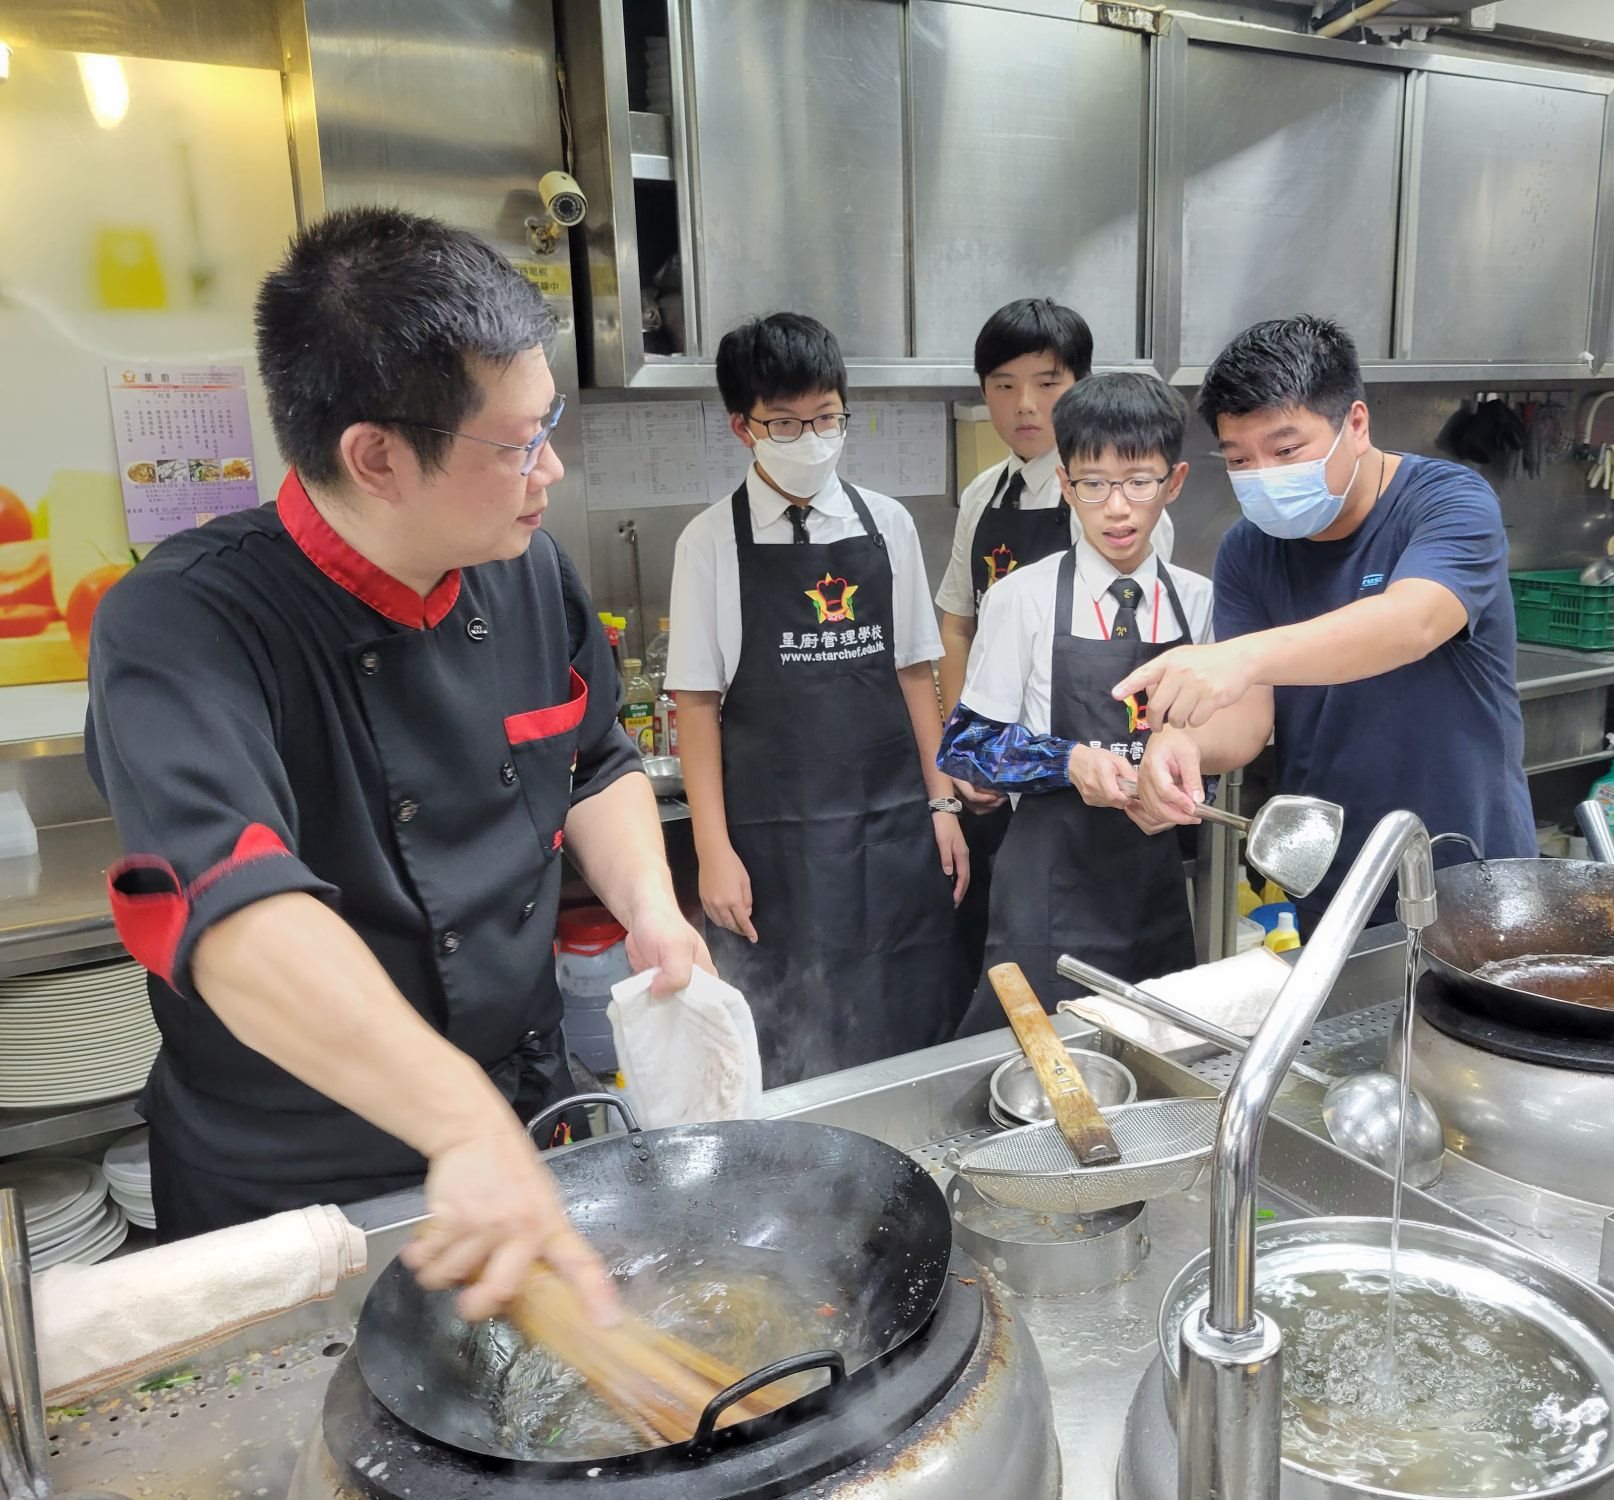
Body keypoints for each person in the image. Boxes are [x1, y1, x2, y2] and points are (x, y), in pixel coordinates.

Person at [86, 207, 708, 1322]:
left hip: (525, 1118)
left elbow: (595, 763)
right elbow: (232, 912)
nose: (551, 468)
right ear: (376, 457)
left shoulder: (527, 569)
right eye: (516, 444)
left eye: (549, 424)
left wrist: (652, 912)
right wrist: (456, 1119)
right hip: (299, 1192)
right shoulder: (182, 623)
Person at [1122, 315, 1537, 926]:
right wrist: (1185, 744)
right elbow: (1247, 718)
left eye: (1286, 450)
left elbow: (1412, 622)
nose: (1264, 475)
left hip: (1469, 866)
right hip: (1333, 877)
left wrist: (1242, 656)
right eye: (1239, 459)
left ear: (1356, 425)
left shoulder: (1447, 501)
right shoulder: (1249, 549)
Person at [666, 312, 966, 1085]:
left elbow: (916, 674)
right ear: (742, 427)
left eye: (826, 418)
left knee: (903, 1021)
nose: (811, 439)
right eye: (786, 423)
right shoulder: (709, 543)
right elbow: (695, 707)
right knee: (782, 1039)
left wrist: (943, 804)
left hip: (890, 836)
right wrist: (711, 851)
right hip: (772, 850)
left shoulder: (888, 524)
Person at [941, 373, 1208, 1032]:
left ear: (1174, 482)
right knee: (1036, 1058)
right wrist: (1067, 762)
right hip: (1047, 892)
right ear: (1065, 484)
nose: (1116, 508)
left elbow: (1221, 734)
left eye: (1139, 482)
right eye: (1094, 484)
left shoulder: (1198, 601)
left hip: (1153, 888)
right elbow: (968, 746)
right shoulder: (1022, 598)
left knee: (1156, 1053)